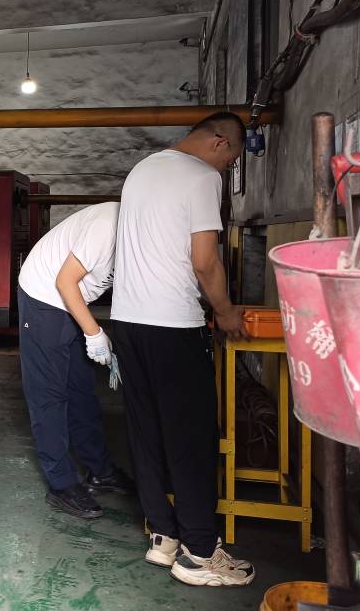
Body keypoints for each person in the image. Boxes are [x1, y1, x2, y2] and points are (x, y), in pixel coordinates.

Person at [110, 111, 253, 587]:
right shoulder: (201, 177)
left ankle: (164, 537)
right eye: (232, 160)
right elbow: (204, 260)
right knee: (191, 439)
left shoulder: (142, 169)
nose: (228, 168)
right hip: (172, 324)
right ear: (220, 142)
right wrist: (226, 311)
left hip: (127, 321)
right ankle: (199, 552)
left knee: (146, 432)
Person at [17, 201, 134, 520]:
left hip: (74, 299)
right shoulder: (107, 226)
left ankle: (100, 470)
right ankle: (61, 483)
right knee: (49, 394)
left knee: (81, 390)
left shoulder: (145, 232)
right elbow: (65, 282)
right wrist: (94, 333)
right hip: (45, 296)